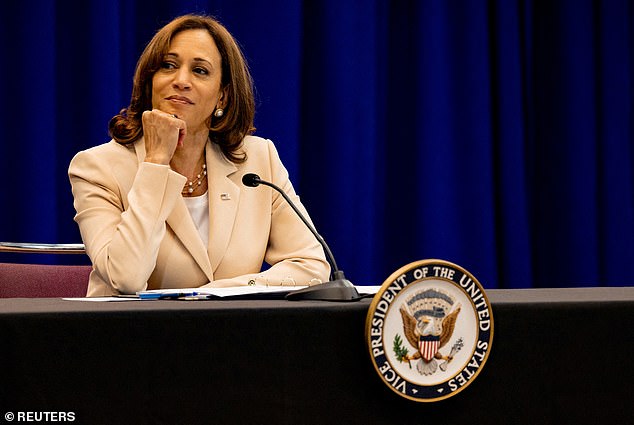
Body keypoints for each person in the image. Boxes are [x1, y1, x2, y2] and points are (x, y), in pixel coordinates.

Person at [68, 14, 330, 296]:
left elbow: (312, 267)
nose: (181, 80)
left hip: (236, 335)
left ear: (223, 96)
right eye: (168, 66)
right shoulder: (97, 168)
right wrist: (155, 162)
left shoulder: (258, 158)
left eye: (200, 71)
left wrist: (217, 292)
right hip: (137, 335)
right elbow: (126, 278)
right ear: (150, 81)